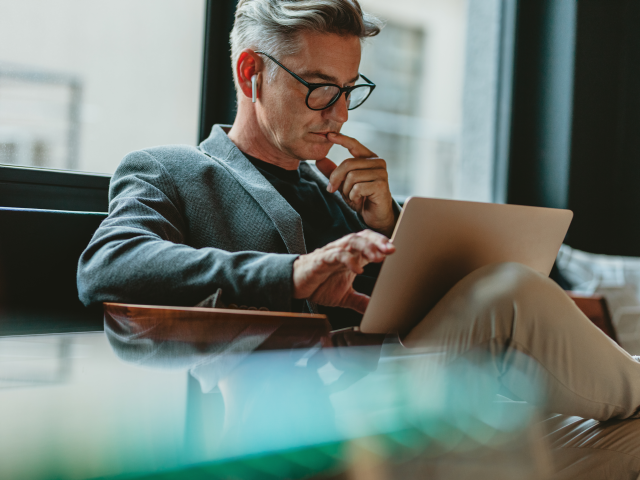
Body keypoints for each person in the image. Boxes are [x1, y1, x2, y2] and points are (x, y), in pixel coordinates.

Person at [78, 0, 640, 476]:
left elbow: (410, 313)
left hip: (422, 404)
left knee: (629, 435)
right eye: (321, 89)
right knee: (511, 293)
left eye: (351, 90)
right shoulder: (171, 171)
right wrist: (288, 274)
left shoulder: (340, 192)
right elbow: (108, 264)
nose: (341, 114)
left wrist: (389, 224)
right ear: (251, 73)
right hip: (312, 421)